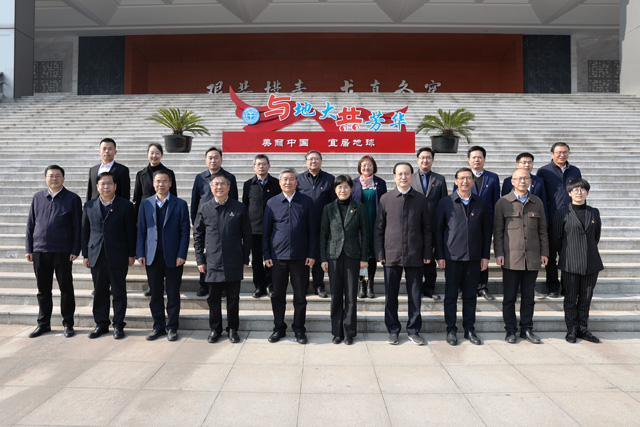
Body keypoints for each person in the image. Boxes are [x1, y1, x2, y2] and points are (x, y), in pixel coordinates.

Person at [374, 162, 431, 346]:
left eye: (407, 173)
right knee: (391, 296)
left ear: (412, 176)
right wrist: (380, 252)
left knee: (415, 296)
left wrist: (427, 251)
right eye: (400, 174)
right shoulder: (386, 199)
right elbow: (379, 228)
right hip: (392, 253)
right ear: (394, 177)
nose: (403, 177)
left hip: (415, 254)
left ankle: (414, 330)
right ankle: (393, 330)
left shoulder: (420, 199)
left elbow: (427, 228)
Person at [436, 167, 491, 346]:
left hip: (473, 257)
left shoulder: (480, 203)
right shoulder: (446, 202)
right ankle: (451, 329)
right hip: (452, 257)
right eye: (461, 178)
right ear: (455, 181)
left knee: (470, 296)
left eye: (468, 178)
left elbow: (486, 231)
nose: (465, 181)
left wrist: (485, 256)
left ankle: (469, 329)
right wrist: (440, 255)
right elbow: (438, 230)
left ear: (473, 181)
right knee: (451, 295)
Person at [25, 165, 81, 338]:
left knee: (66, 289)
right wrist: (29, 248)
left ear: (63, 178)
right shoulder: (38, 197)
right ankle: (43, 323)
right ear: (45, 178)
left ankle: (68, 323)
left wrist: (75, 249)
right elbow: (30, 224)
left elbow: (77, 226)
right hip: (40, 250)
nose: (54, 178)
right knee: (43, 290)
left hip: (63, 251)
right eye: (51, 175)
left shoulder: (72, 198)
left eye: (58, 175)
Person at [194, 174, 251, 344]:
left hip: (234, 260)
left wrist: (245, 259)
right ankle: (215, 329)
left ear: (229, 187)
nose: (219, 187)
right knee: (213, 298)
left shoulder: (239, 208)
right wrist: (200, 260)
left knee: (233, 298)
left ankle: (233, 329)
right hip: (212, 261)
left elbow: (247, 235)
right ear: (211, 188)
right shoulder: (204, 208)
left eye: (222, 184)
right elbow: (198, 235)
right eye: (216, 184)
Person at [494, 169, 549, 344]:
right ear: (512, 181)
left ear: (530, 181)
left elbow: (542, 230)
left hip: (532, 258)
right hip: (511, 258)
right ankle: (510, 330)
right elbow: (498, 231)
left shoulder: (537, 202)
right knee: (509, 297)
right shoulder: (503, 202)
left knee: (528, 298)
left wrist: (544, 252)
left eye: (526, 178)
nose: (522, 181)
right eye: (519, 178)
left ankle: (527, 329)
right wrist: (499, 253)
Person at [263, 168, 316, 344]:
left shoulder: (306, 201)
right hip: (277, 258)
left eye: (291, 179)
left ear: (297, 182)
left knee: (300, 296)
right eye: (284, 179)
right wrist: (266, 254)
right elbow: (266, 232)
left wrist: (311, 253)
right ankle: (279, 328)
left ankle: (299, 329)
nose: (288, 182)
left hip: (300, 258)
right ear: (279, 182)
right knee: (277, 296)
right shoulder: (272, 203)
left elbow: (312, 230)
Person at [82, 172, 136, 339]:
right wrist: (85, 254)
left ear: (115, 186)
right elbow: (85, 231)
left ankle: (118, 325)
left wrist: (131, 254)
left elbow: (131, 232)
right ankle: (101, 324)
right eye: (103, 184)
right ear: (97, 187)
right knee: (100, 291)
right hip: (96, 254)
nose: (106, 187)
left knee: (119, 291)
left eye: (109, 183)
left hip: (118, 254)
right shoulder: (89, 205)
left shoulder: (126, 205)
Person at [137, 171, 190, 342]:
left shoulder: (180, 204)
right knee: (155, 294)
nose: (161, 184)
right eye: (158, 181)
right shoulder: (146, 204)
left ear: (170, 184)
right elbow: (141, 230)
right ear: (153, 184)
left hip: (173, 256)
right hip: (152, 256)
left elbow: (184, 231)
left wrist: (182, 254)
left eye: (164, 181)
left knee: (173, 293)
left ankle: (172, 327)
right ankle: (158, 326)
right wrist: (140, 253)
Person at [320, 175, 369, 345]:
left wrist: (364, 258)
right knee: (335, 295)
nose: (343, 190)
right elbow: (323, 234)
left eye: (346, 187)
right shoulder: (328, 208)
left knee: (350, 295)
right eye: (339, 187)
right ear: (335, 190)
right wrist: (323, 258)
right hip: (333, 256)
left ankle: (349, 332)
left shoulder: (359, 207)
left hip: (352, 256)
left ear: (351, 189)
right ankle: (337, 332)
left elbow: (365, 234)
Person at [553, 178, 603, 344]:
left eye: (582, 190)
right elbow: (557, 239)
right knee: (570, 298)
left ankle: (583, 328)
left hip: (591, 262)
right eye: (575, 190)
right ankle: (572, 329)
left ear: (587, 192)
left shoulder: (594, 212)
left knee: (585, 299)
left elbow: (596, 236)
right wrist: (568, 254)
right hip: (570, 262)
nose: (579, 192)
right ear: (569, 193)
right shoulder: (562, 213)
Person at [191, 146, 238, 297]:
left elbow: (234, 200)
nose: (213, 160)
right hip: (205, 220)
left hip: (225, 220)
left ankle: (223, 286)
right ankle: (204, 284)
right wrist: (195, 221)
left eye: (216, 157)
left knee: (223, 253)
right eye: (210, 158)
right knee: (205, 253)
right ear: (206, 160)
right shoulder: (200, 178)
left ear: (221, 159)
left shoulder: (229, 177)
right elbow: (195, 201)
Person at [454, 146, 500, 301]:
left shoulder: (493, 178)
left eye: (480, 157)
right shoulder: (462, 177)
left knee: (483, 253)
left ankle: (482, 287)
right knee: (464, 255)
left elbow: (496, 202)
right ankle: (463, 287)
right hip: (465, 223)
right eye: (474, 157)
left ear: (484, 159)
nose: (477, 160)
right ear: (469, 159)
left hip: (485, 222)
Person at [537, 142, 582, 298]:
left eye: (565, 152)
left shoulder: (575, 171)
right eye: (559, 152)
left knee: (569, 256)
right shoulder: (543, 171)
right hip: (551, 220)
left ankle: (567, 287)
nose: (562, 155)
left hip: (571, 220)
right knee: (550, 257)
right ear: (552, 154)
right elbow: (540, 196)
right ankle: (553, 287)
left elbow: (579, 193)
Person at [133, 143, 178, 297]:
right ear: (147, 154)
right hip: (147, 213)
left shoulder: (169, 173)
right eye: (151, 153)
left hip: (165, 212)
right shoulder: (141, 174)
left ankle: (165, 284)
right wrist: (136, 218)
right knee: (150, 250)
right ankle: (152, 285)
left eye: (157, 153)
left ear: (161, 155)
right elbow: (137, 197)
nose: (154, 156)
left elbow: (174, 195)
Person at [410, 147, 448, 300]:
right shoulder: (410, 178)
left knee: (431, 259)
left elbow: (444, 203)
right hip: (414, 226)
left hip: (433, 226)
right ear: (417, 160)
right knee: (415, 259)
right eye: (422, 158)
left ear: (432, 160)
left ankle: (430, 288)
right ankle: (416, 288)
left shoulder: (440, 179)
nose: (425, 160)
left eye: (428, 158)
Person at [242, 154, 281, 298]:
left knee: (271, 259)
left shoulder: (276, 183)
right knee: (257, 260)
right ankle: (259, 286)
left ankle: (270, 285)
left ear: (269, 166)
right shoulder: (248, 184)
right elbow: (245, 206)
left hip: (273, 229)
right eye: (258, 164)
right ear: (254, 167)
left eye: (264, 164)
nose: (261, 166)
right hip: (254, 229)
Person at [297, 150, 335, 298]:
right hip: (302, 224)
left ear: (321, 161)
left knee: (319, 255)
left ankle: (319, 285)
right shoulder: (299, 179)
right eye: (311, 159)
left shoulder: (329, 179)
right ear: (306, 161)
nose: (313, 161)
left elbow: (333, 203)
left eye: (316, 159)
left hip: (321, 224)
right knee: (303, 255)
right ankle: (303, 285)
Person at [351, 155, 387, 298]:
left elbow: (384, 203)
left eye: (369, 165)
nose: (366, 168)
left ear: (374, 167)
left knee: (372, 254)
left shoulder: (380, 183)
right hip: (358, 224)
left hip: (374, 221)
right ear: (360, 167)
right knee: (361, 253)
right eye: (364, 165)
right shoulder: (353, 183)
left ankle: (370, 283)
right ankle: (361, 283)